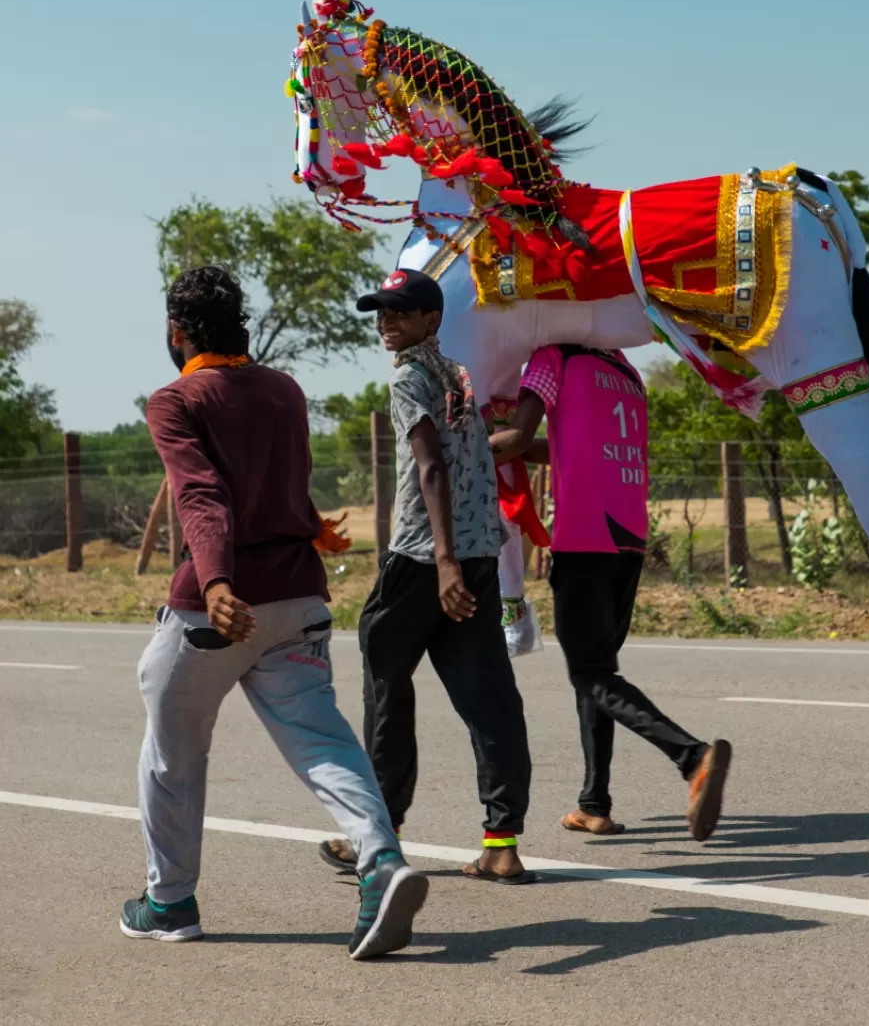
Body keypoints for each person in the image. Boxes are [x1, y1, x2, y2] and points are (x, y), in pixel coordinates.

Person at [123, 265, 427, 959]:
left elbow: (201, 494)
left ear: (176, 331)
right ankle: (380, 859)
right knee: (323, 741)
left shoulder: (175, 399)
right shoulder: (284, 389)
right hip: (299, 600)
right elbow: (277, 480)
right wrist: (309, 524)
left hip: (217, 611)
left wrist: (217, 579)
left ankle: (168, 902)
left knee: (172, 753)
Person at [491, 344, 731, 840]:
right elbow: (566, 447)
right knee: (596, 676)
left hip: (584, 539)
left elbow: (517, 437)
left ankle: (692, 756)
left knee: (592, 674)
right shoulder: (624, 369)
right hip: (628, 540)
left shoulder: (554, 358)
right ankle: (593, 804)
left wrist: (457, 443)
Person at [343, 267, 534, 884]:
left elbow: (431, 469)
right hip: (478, 557)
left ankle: (379, 835)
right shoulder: (457, 375)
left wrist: (444, 562)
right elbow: (474, 450)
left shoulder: (408, 380)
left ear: (432, 318)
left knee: (385, 684)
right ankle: (501, 844)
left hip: (428, 559)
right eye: (381, 312)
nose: (386, 322)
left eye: (399, 311)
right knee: (489, 699)